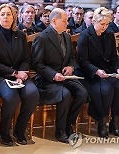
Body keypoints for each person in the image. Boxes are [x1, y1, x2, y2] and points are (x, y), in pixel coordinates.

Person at [0, 4, 39, 146]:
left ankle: (19, 130)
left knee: (32, 93)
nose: (5, 17)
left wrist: (22, 74)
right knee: (12, 96)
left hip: (19, 75)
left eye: (8, 14)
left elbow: (26, 59)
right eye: (2, 14)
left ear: (14, 17)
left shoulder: (20, 35)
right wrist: (15, 73)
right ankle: (4, 131)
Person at [31, 8, 87, 143]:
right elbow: (36, 64)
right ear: (54, 21)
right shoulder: (42, 38)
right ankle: (60, 130)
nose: (67, 23)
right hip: (46, 81)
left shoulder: (66, 36)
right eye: (65, 20)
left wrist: (71, 67)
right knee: (65, 94)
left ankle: (69, 125)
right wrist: (53, 74)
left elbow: (72, 57)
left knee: (82, 92)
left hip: (64, 78)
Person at [75, 7, 119, 138]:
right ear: (94, 21)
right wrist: (96, 71)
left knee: (118, 86)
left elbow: (114, 57)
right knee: (106, 89)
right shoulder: (85, 36)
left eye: (107, 24)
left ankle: (114, 122)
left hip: (106, 71)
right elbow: (83, 61)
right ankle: (101, 121)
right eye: (102, 24)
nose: (105, 27)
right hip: (88, 73)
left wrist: (117, 68)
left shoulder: (109, 34)